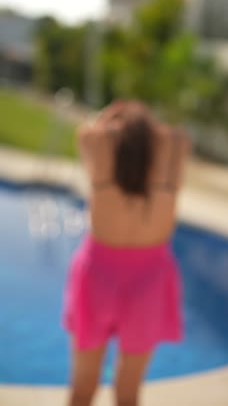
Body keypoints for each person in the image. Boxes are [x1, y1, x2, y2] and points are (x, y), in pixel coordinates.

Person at [63, 100, 191, 406]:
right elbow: (178, 136)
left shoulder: (102, 158)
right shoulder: (170, 154)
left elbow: (87, 132)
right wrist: (145, 123)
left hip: (98, 276)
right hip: (151, 280)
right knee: (128, 393)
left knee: (82, 386)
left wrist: (113, 113)